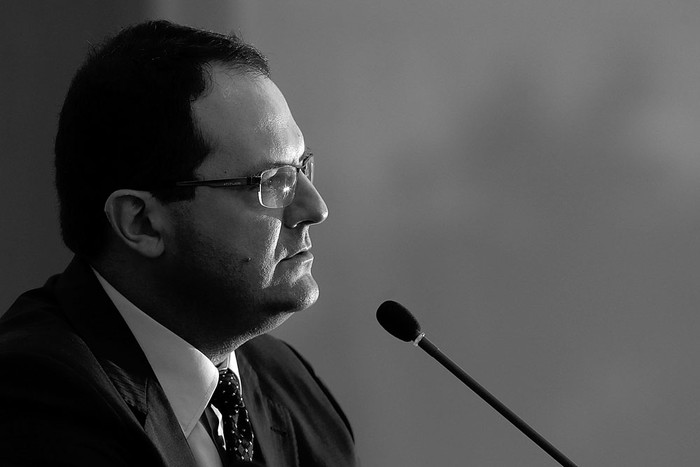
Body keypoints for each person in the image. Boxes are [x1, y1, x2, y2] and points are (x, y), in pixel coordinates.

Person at [0, 20, 358, 467]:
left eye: (301, 167)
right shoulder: (33, 401)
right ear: (142, 222)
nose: (315, 208)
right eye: (271, 182)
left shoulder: (287, 385)